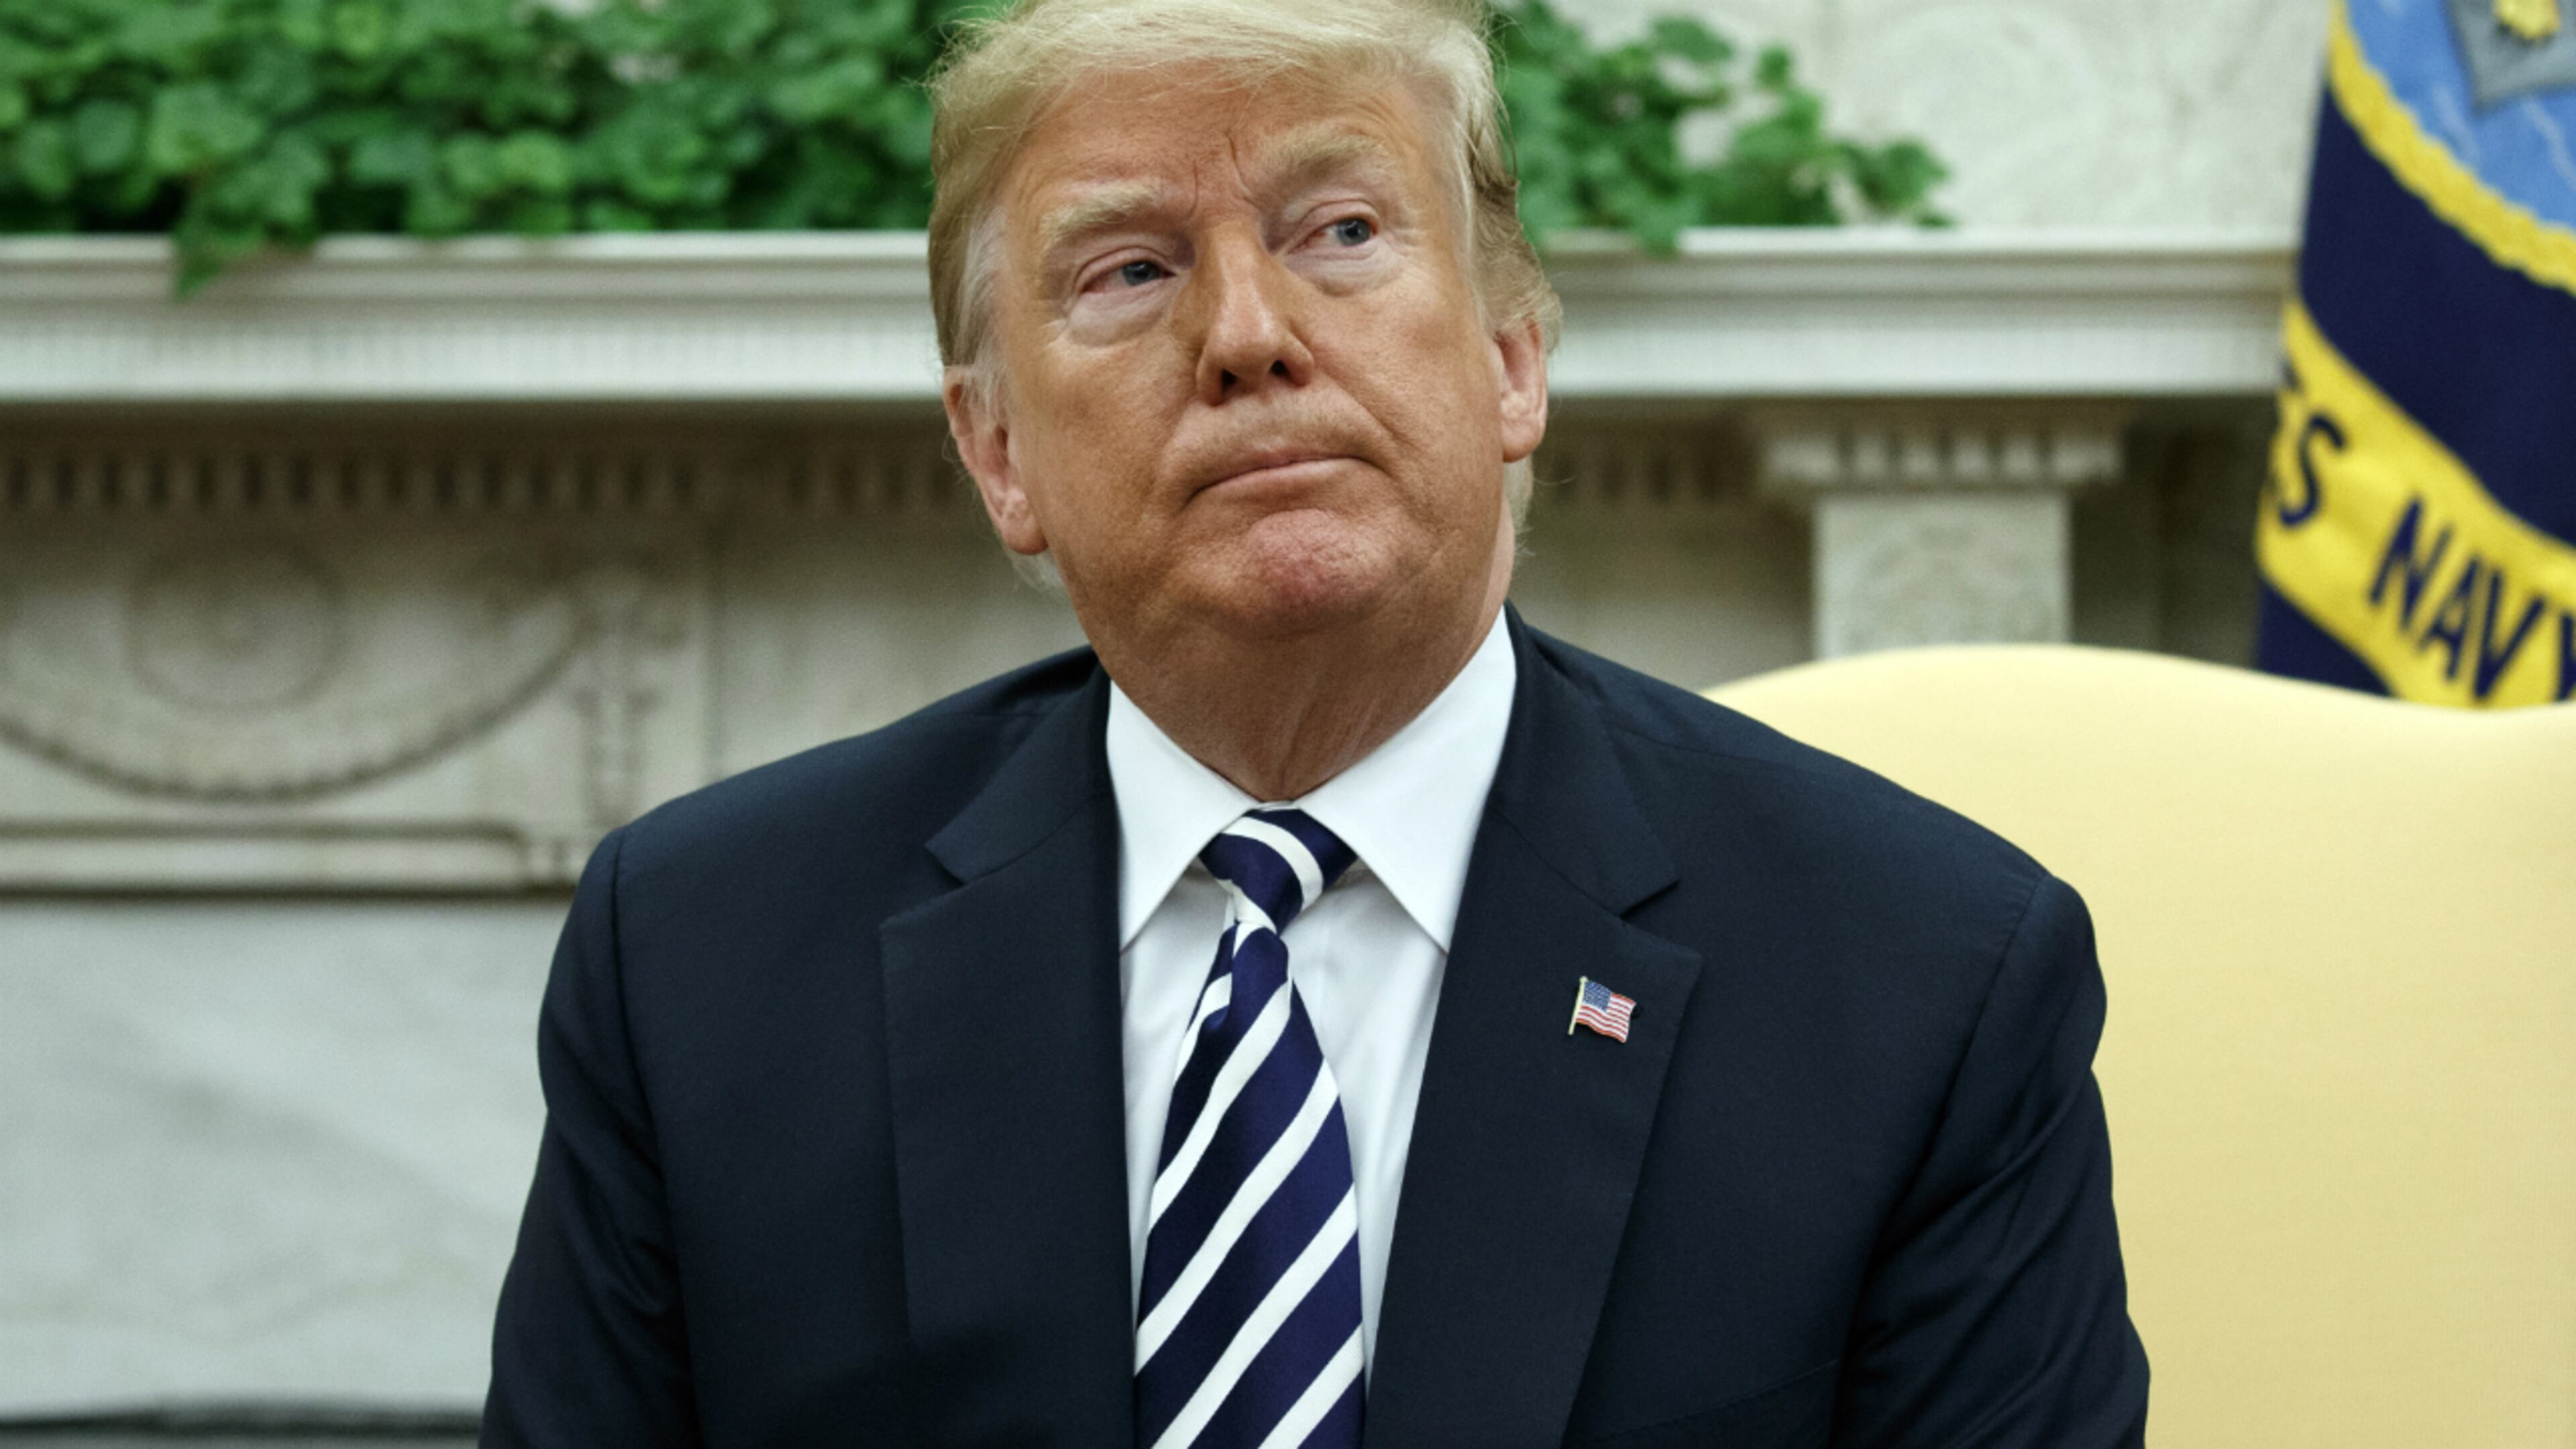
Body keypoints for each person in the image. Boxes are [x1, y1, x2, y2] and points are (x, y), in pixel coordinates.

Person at [482, 0, 2151, 1442]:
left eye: (1341, 232)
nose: (1248, 337)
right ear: (998, 453)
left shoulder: (1922, 980)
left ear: (1511, 358)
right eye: (1130, 271)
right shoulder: (701, 962)